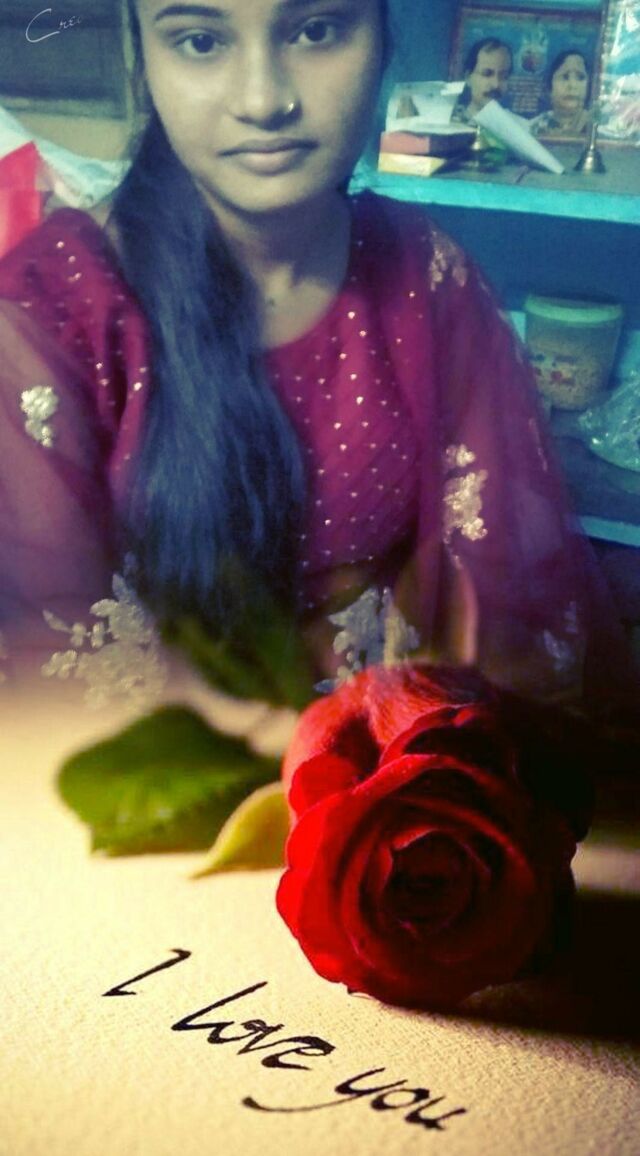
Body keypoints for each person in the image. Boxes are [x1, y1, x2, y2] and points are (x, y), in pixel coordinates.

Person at [0, 0, 635, 723]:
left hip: (398, 762)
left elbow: (504, 601)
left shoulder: (424, 276)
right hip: (167, 779)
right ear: (141, 54)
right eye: (200, 41)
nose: (263, 100)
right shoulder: (48, 318)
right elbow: (51, 704)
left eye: (316, 30)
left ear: (384, 40)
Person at [530, 50, 592, 138]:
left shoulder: (598, 129)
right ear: (549, 87)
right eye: (565, 77)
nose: (572, 85)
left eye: (580, 78)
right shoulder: (532, 129)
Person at [453, 37, 513, 123]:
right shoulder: (451, 125)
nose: (496, 84)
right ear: (468, 77)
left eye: (504, 76)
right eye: (487, 74)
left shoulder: (520, 127)